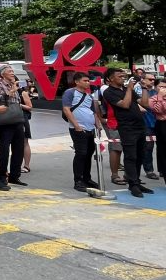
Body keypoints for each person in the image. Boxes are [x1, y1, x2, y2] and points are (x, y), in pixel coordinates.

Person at [101, 67, 154, 198]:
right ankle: (133, 184)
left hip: (140, 125)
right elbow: (125, 104)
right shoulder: (109, 92)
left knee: (140, 155)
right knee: (131, 156)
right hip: (127, 128)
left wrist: (144, 88)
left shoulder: (126, 89)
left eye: (123, 76)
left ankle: (136, 182)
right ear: (110, 79)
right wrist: (130, 89)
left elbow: (144, 103)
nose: (123, 78)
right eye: (119, 76)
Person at [62, 72, 102, 191]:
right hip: (79, 129)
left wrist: (98, 125)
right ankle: (78, 180)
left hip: (91, 129)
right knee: (81, 153)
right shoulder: (70, 93)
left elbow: (93, 112)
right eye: (85, 81)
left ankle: (86, 178)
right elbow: (66, 109)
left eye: (88, 81)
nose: (87, 83)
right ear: (77, 81)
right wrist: (77, 126)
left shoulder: (89, 96)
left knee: (89, 154)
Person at [0, 66, 27, 186]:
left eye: (12, 71)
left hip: (17, 119)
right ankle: (2, 175)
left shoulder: (14, 84)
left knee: (19, 148)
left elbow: (18, 101)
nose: (12, 73)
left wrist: (16, 89)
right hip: (5, 121)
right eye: (9, 71)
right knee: (4, 149)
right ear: (2, 74)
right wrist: (11, 91)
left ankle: (15, 176)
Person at [148, 77, 166, 184]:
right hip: (162, 124)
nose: (163, 89)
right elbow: (157, 110)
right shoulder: (153, 98)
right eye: (161, 87)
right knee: (163, 150)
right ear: (155, 87)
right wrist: (160, 97)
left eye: (165, 87)